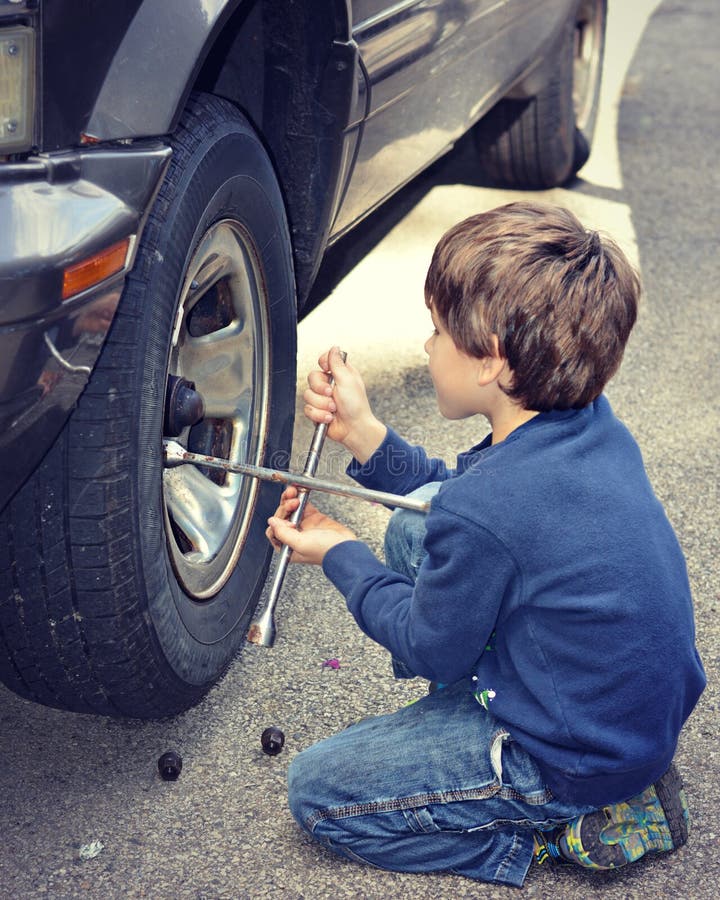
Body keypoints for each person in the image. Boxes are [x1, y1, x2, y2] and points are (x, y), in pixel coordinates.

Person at [265, 202, 706, 887]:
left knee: (318, 794)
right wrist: (364, 436)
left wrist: (337, 551)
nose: (426, 346)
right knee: (420, 526)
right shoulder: (588, 425)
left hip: (565, 754)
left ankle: (555, 832)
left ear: (491, 362)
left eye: (438, 332)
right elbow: (458, 508)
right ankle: (609, 770)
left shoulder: (494, 505)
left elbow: (426, 641)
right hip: (621, 715)